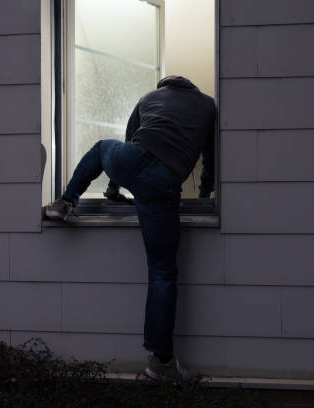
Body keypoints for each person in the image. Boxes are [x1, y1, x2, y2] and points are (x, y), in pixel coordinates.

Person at [46, 75, 215, 380]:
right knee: (162, 271)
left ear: (166, 86)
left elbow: (130, 139)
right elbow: (212, 160)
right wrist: (205, 196)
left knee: (101, 148)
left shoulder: (149, 97)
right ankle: (161, 362)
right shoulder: (208, 106)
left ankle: (64, 202)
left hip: (130, 160)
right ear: (190, 88)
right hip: (163, 181)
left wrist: (113, 186)